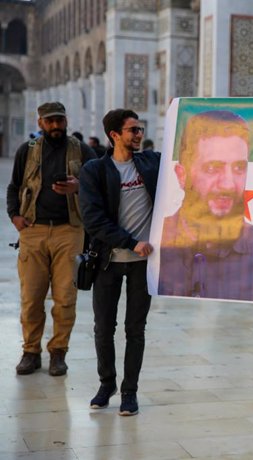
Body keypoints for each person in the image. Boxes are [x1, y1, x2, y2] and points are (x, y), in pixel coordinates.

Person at [158, 110, 253, 303]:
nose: (228, 184)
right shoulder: (155, 245)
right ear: (181, 175)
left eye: (238, 168)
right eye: (213, 168)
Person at [79, 109, 160, 416]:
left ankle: (130, 391)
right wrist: (130, 241)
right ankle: (106, 384)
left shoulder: (150, 163)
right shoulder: (95, 171)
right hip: (109, 261)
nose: (138, 134)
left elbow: (186, 157)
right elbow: (93, 219)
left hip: (144, 264)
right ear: (114, 134)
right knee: (103, 328)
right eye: (132, 130)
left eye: (140, 129)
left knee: (135, 329)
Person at [6, 101, 96, 376]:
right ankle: (30, 351)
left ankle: (58, 352)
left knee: (65, 297)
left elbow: (100, 185)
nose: (55, 125)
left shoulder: (81, 150)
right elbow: (14, 185)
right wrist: (15, 216)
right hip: (33, 230)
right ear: (40, 123)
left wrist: (78, 186)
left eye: (59, 120)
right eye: (50, 121)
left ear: (66, 121)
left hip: (69, 231)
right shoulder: (28, 151)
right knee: (32, 297)